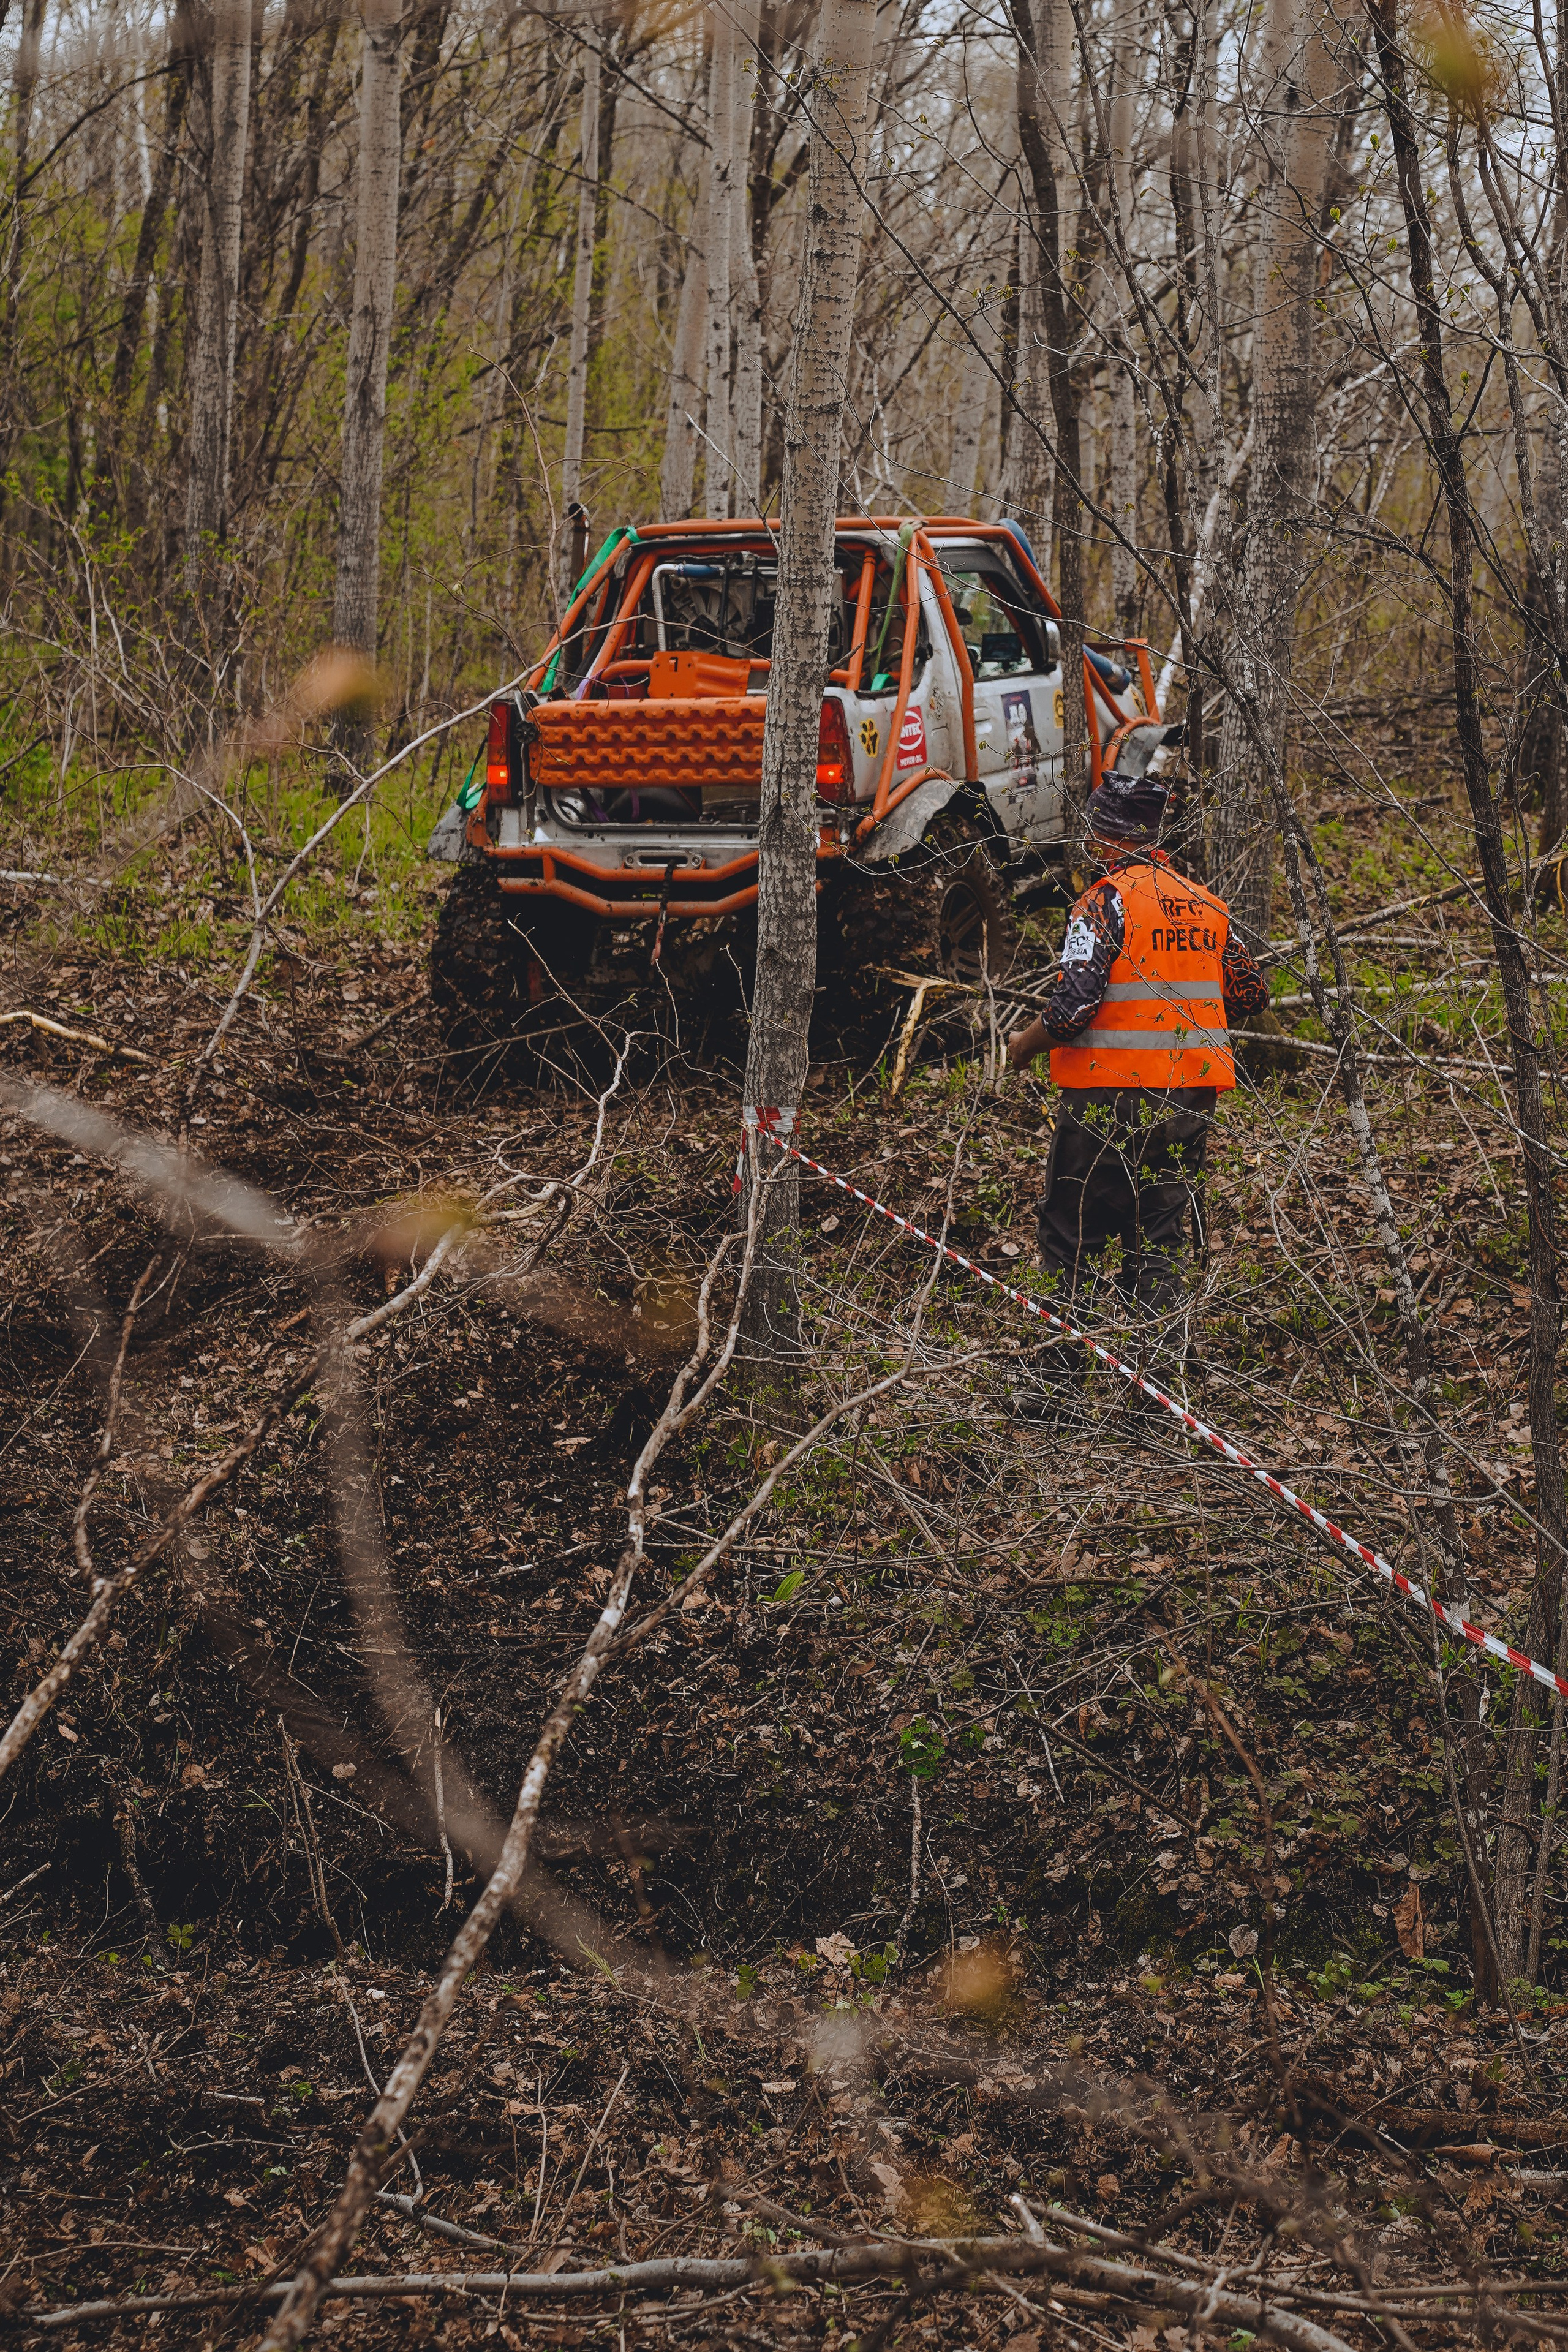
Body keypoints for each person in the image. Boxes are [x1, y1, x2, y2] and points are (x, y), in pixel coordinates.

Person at [1005, 769, 1268, 1407]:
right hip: (1185, 1103)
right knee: (1160, 1239)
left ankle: (1058, 1389)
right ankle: (1153, 1397)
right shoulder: (1206, 904)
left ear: (1108, 835)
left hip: (1106, 1100)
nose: (1092, 842)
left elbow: (1072, 1010)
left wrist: (1021, 1046)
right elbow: (1251, 994)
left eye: (1095, 829)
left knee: (1073, 1235)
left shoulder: (1104, 903)